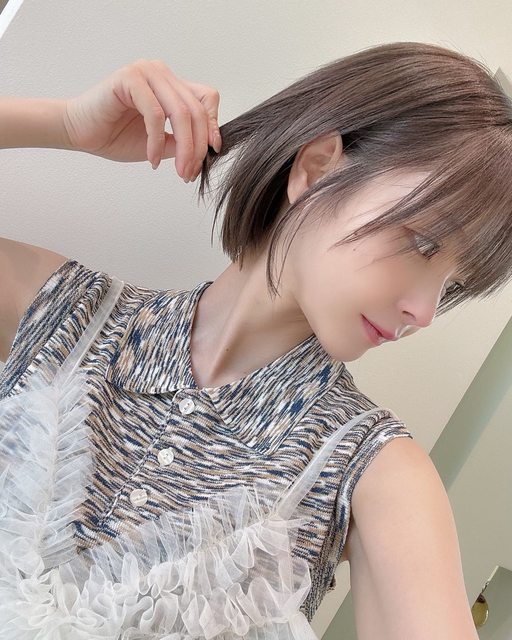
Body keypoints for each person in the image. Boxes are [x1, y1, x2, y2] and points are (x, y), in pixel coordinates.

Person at [1, 40, 508, 638]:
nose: (424, 312)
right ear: (316, 168)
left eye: (452, 283)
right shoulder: (67, 315)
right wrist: (63, 124)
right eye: (423, 243)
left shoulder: (373, 472)